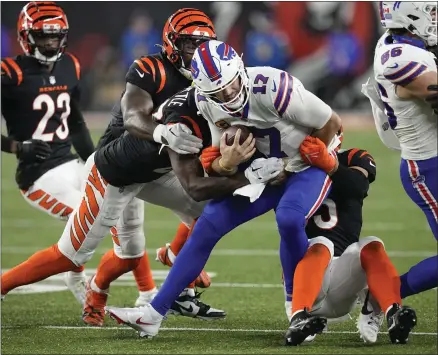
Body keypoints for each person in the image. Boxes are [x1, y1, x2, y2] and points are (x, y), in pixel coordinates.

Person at [104, 39, 342, 339]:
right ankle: (153, 314)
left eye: (230, 85)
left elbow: (330, 122)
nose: (228, 94)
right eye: (218, 91)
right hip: (263, 168)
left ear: (241, 68)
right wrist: (229, 164)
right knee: (208, 224)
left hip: (306, 163)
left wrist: (292, 165)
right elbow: (217, 159)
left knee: (289, 218)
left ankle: (297, 308)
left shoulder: (273, 86)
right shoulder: (206, 100)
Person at [1, 8, 223, 327]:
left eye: (202, 46)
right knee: (73, 255)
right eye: (189, 45)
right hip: (115, 171)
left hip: (157, 172)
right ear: (172, 43)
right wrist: (162, 131)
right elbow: (133, 117)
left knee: (211, 207)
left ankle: (171, 271)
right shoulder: (150, 68)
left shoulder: (211, 78)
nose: (197, 53)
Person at [1, 1, 94, 305]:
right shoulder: (10, 72)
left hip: (69, 161)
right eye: (43, 37)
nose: (51, 43)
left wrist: (96, 162)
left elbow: (77, 123)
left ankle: (147, 294)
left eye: (55, 37)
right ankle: (7, 284)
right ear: (27, 37)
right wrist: (15, 146)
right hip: (37, 172)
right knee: (85, 217)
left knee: (113, 208)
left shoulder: (70, 65)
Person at [284, 144, 416, 346]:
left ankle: (393, 314)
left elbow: (357, 186)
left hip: (343, 281)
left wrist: (330, 164)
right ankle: (298, 317)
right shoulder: (293, 160)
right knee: (321, 243)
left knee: (372, 245)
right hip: (305, 279)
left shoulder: (354, 156)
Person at [362, 1, 437, 301]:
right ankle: (383, 295)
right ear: (411, 15)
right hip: (428, 167)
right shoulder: (398, 57)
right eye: (431, 11)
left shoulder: (404, 41)